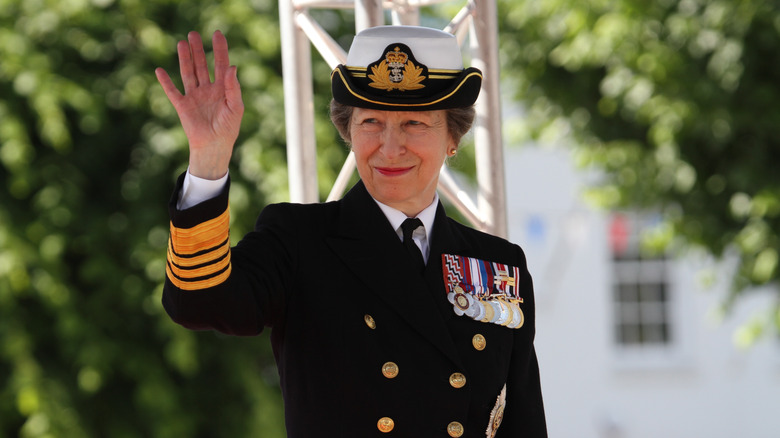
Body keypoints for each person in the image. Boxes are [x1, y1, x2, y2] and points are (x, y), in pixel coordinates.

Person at [156, 25, 546, 438]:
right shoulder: (299, 239)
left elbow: (523, 423)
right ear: (348, 132)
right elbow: (197, 302)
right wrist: (208, 160)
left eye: (414, 123)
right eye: (372, 122)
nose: (390, 146)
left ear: (453, 136)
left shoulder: (498, 265)